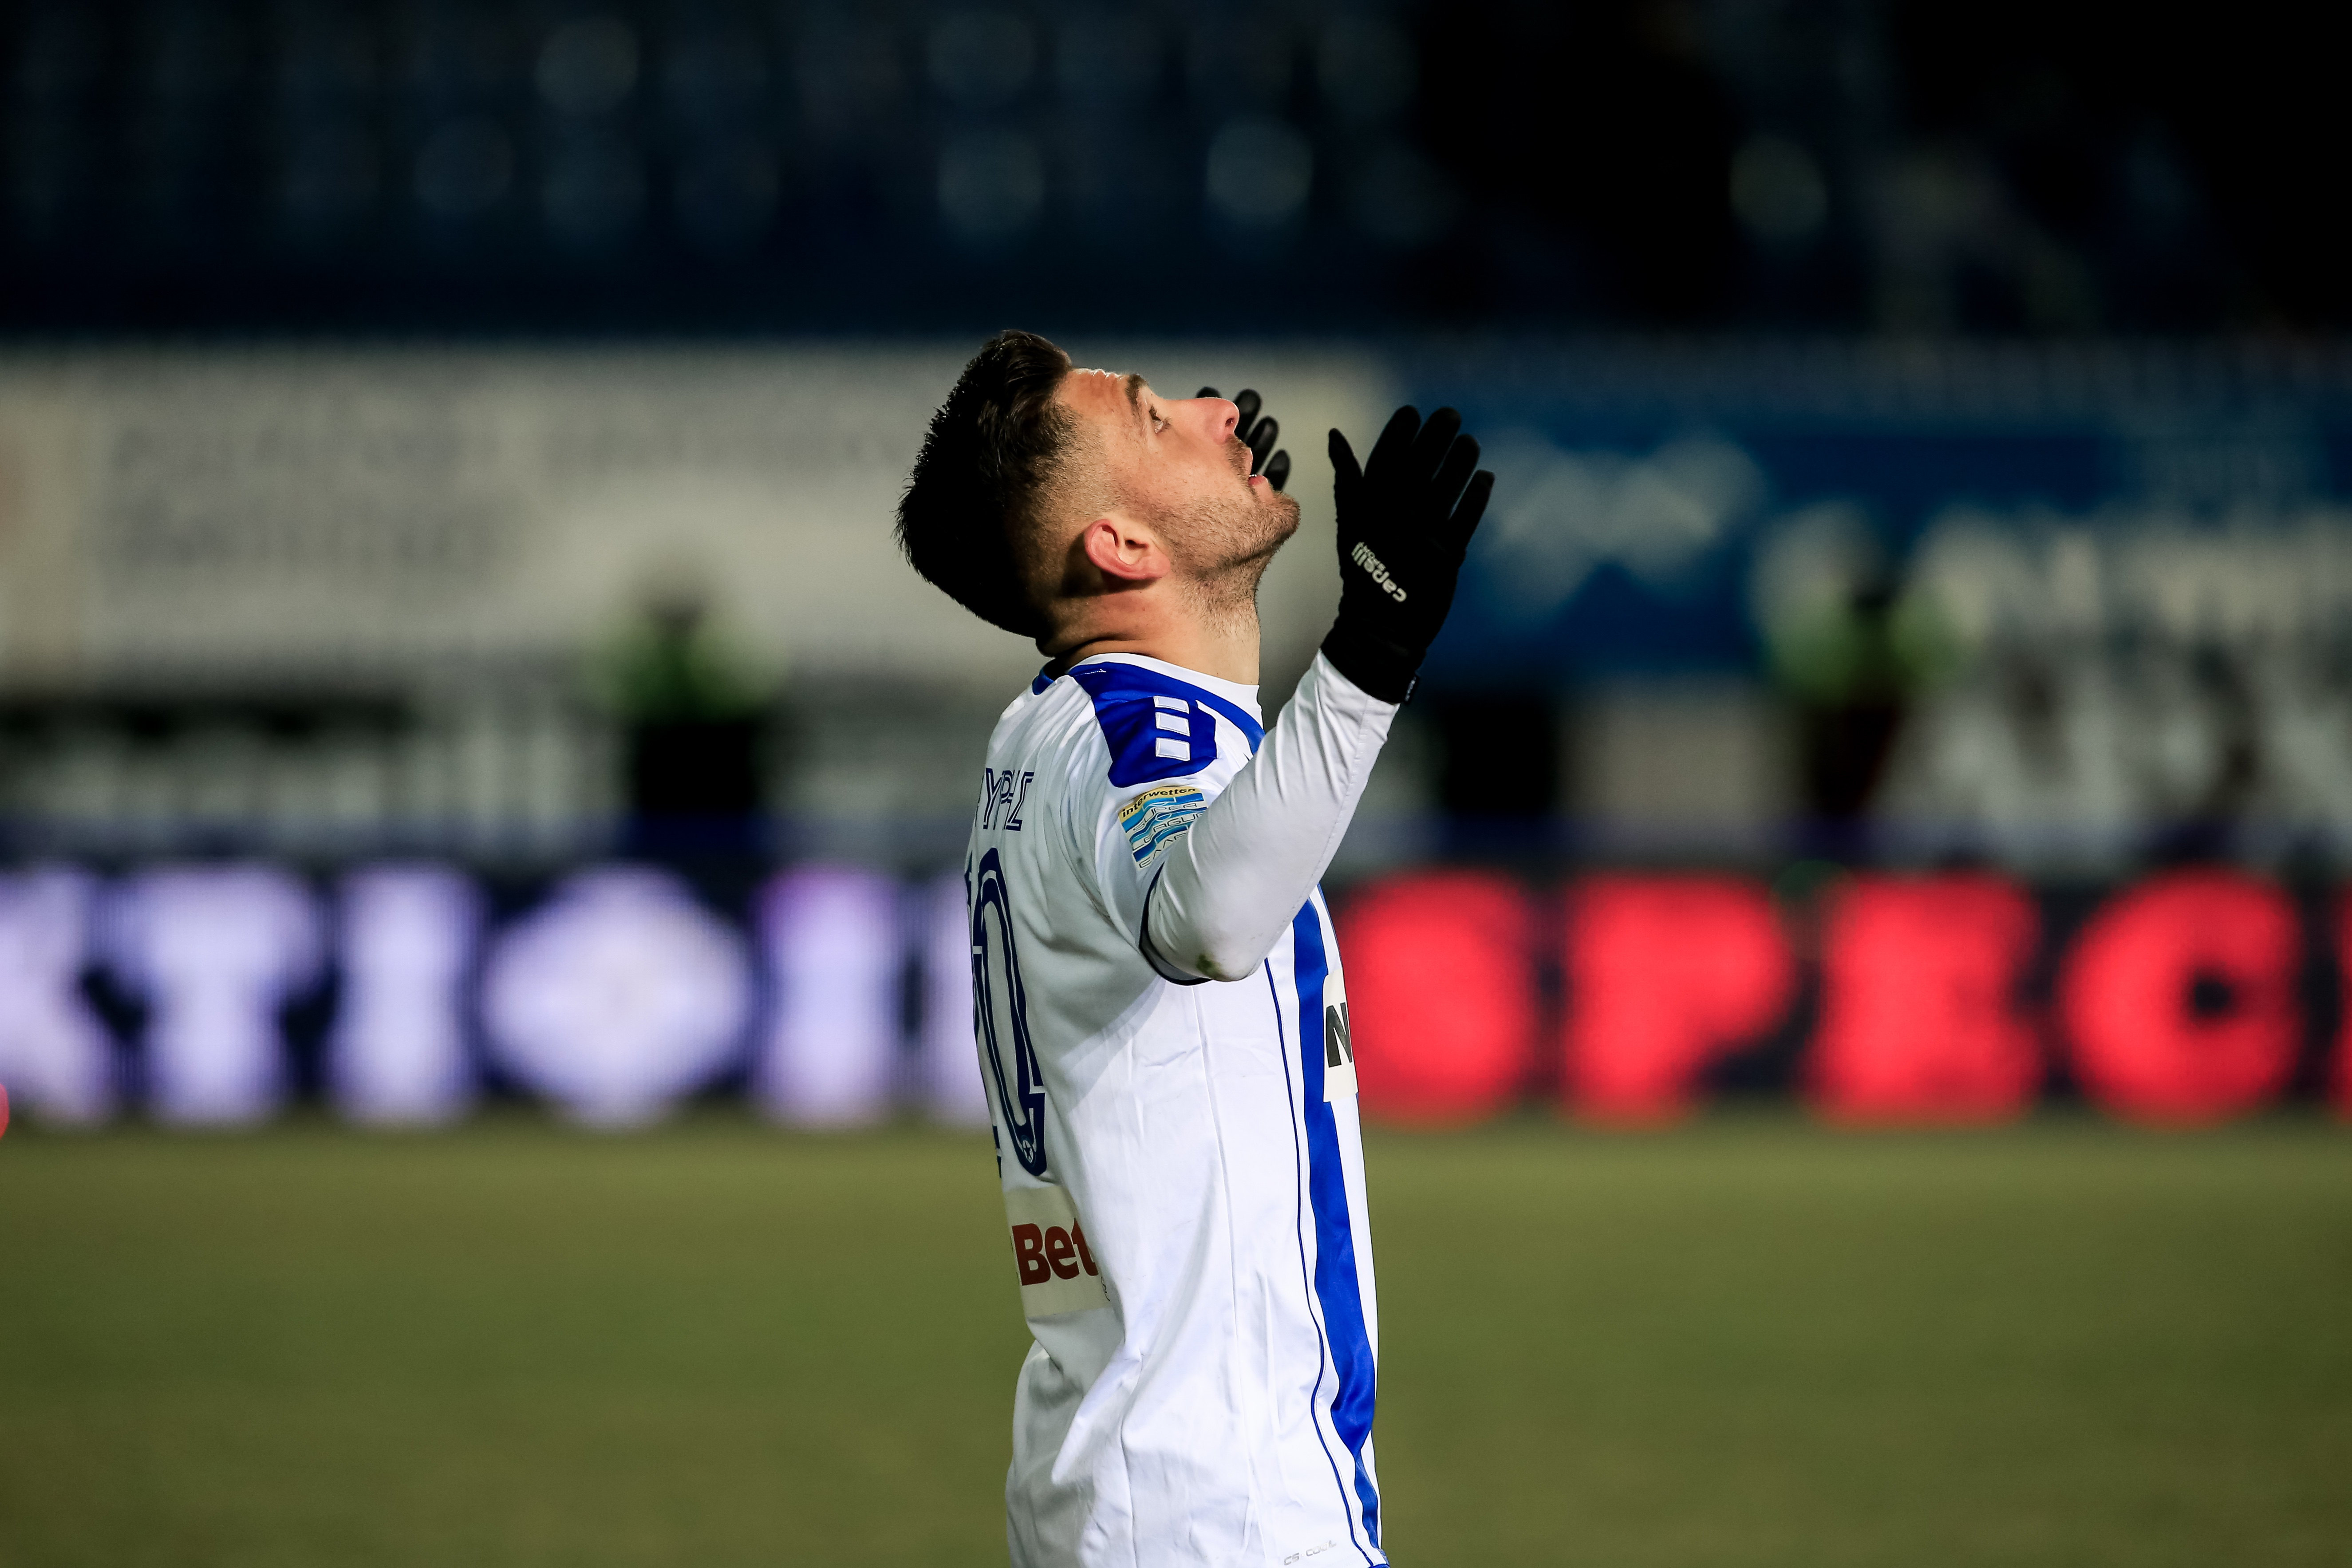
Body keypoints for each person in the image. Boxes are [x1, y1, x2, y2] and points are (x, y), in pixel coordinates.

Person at [896, 330, 1493, 1568]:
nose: (1224, 407)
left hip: (1140, 1485)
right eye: (1160, 420)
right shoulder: (1138, 726)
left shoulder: (1056, 730)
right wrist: (1370, 656)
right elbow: (1210, 921)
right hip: (1210, 1508)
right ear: (1118, 548)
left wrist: (1227, 606)